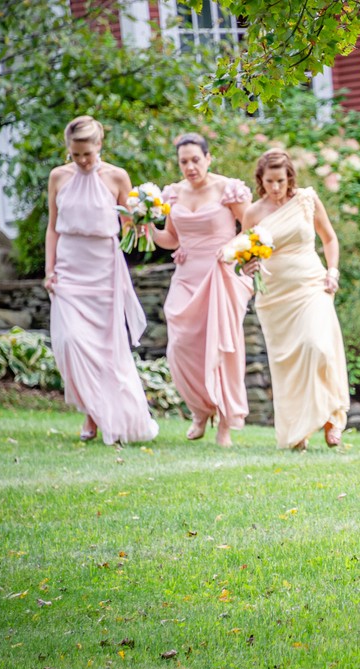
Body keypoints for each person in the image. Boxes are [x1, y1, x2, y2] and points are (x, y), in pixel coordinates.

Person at [44, 115, 158, 445]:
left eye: (87, 154)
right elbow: (52, 227)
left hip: (105, 269)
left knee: (106, 348)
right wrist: (49, 269)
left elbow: (130, 223)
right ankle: (92, 406)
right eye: (75, 154)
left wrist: (139, 224)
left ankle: (96, 415)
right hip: (69, 266)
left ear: (99, 145)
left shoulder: (117, 177)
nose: (81, 161)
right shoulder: (58, 177)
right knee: (71, 342)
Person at [238, 149, 349, 450]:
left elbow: (329, 238)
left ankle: (330, 419)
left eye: (281, 181)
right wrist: (248, 267)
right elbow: (246, 255)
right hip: (275, 296)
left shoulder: (306, 200)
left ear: (290, 179)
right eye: (269, 181)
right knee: (287, 365)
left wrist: (333, 271)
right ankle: (298, 431)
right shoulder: (253, 213)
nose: (276, 187)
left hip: (312, 284)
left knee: (318, 347)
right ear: (260, 181)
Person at [152, 133, 253, 448]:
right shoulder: (173, 194)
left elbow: (252, 230)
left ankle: (224, 423)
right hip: (187, 274)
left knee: (220, 348)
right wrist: (145, 229)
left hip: (223, 273)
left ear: (208, 158)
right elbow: (171, 238)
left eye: (196, 159)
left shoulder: (228, 189)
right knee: (180, 346)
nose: (190, 166)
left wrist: (231, 250)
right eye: (184, 161)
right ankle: (200, 408)